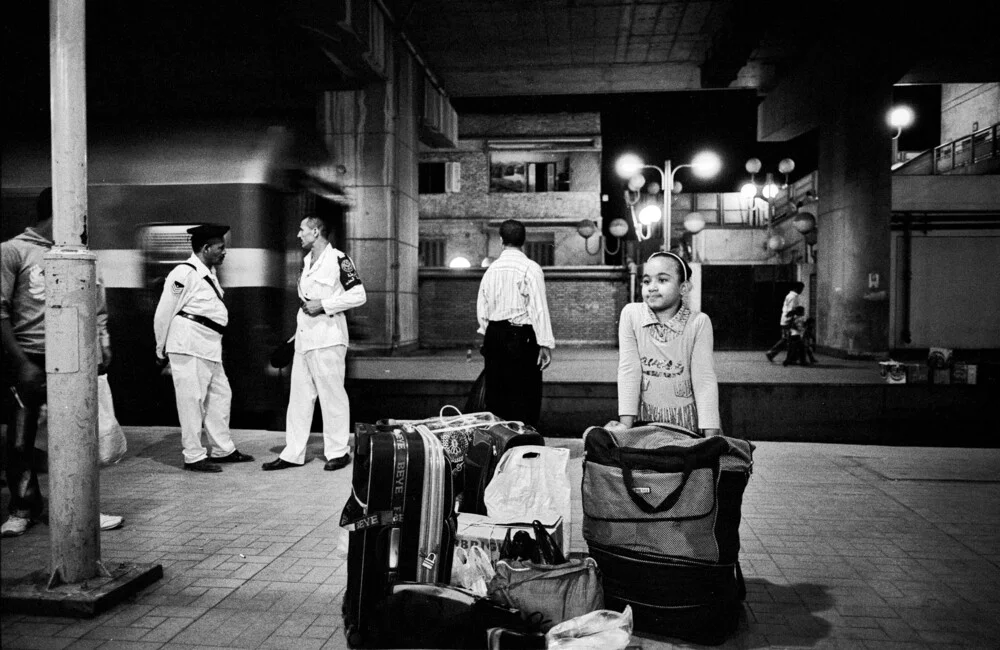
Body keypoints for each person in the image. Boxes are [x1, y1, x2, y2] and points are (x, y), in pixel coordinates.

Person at [1, 188, 124, 536]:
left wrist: (102, 342)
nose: (86, 223)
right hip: (30, 357)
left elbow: (97, 306)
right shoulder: (13, 252)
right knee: (22, 439)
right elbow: (0, 312)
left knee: (78, 436)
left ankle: (81, 508)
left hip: (74, 357)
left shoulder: (82, 256)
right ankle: (23, 508)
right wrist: (21, 362)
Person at [262, 215, 366, 472]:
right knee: (298, 399)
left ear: (316, 231)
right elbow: (305, 303)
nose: (298, 235)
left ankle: (338, 452)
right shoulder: (307, 261)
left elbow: (359, 294)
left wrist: (324, 305)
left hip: (329, 338)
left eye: (302, 230)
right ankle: (292, 453)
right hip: (305, 339)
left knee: (332, 398)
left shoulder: (339, 259)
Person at [153, 223, 254, 473]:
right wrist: (160, 347)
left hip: (208, 346)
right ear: (206, 248)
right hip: (188, 344)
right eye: (220, 248)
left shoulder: (208, 273)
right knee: (192, 401)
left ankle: (222, 449)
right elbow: (164, 312)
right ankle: (193, 455)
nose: (224, 252)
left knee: (220, 396)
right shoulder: (183, 273)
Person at [606, 252, 721, 436]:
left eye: (662, 280)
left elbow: (704, 380)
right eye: (646, 281)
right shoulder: (631, 314)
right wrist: (625, 428)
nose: (651, 287)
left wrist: (711, 436)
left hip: (686, 424)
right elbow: (629, 370)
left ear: (683, 288)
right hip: (644, 423)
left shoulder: (698, 322)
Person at [476, 219, 554, 426]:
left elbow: (482, 311)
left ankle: (499, 443)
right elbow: (538, 309)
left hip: (494, 335)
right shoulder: (530, 268)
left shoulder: (491, 271)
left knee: (496, 395)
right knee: (525, 394)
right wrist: (545, 343)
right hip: (521, 338)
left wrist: (491, 333)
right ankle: (524, 442)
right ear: (524, 240)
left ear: (501, 240)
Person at [766, 281, 805, 363]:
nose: (801, 290)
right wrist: (794, 320)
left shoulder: (790, 296)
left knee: (787, 339)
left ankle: (773, 353)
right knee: (793, 339)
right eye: (801, 288)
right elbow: (791, 311)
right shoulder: (793, 297)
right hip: (790, 321)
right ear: (796, 288)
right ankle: (791, 358)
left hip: (786, 321)